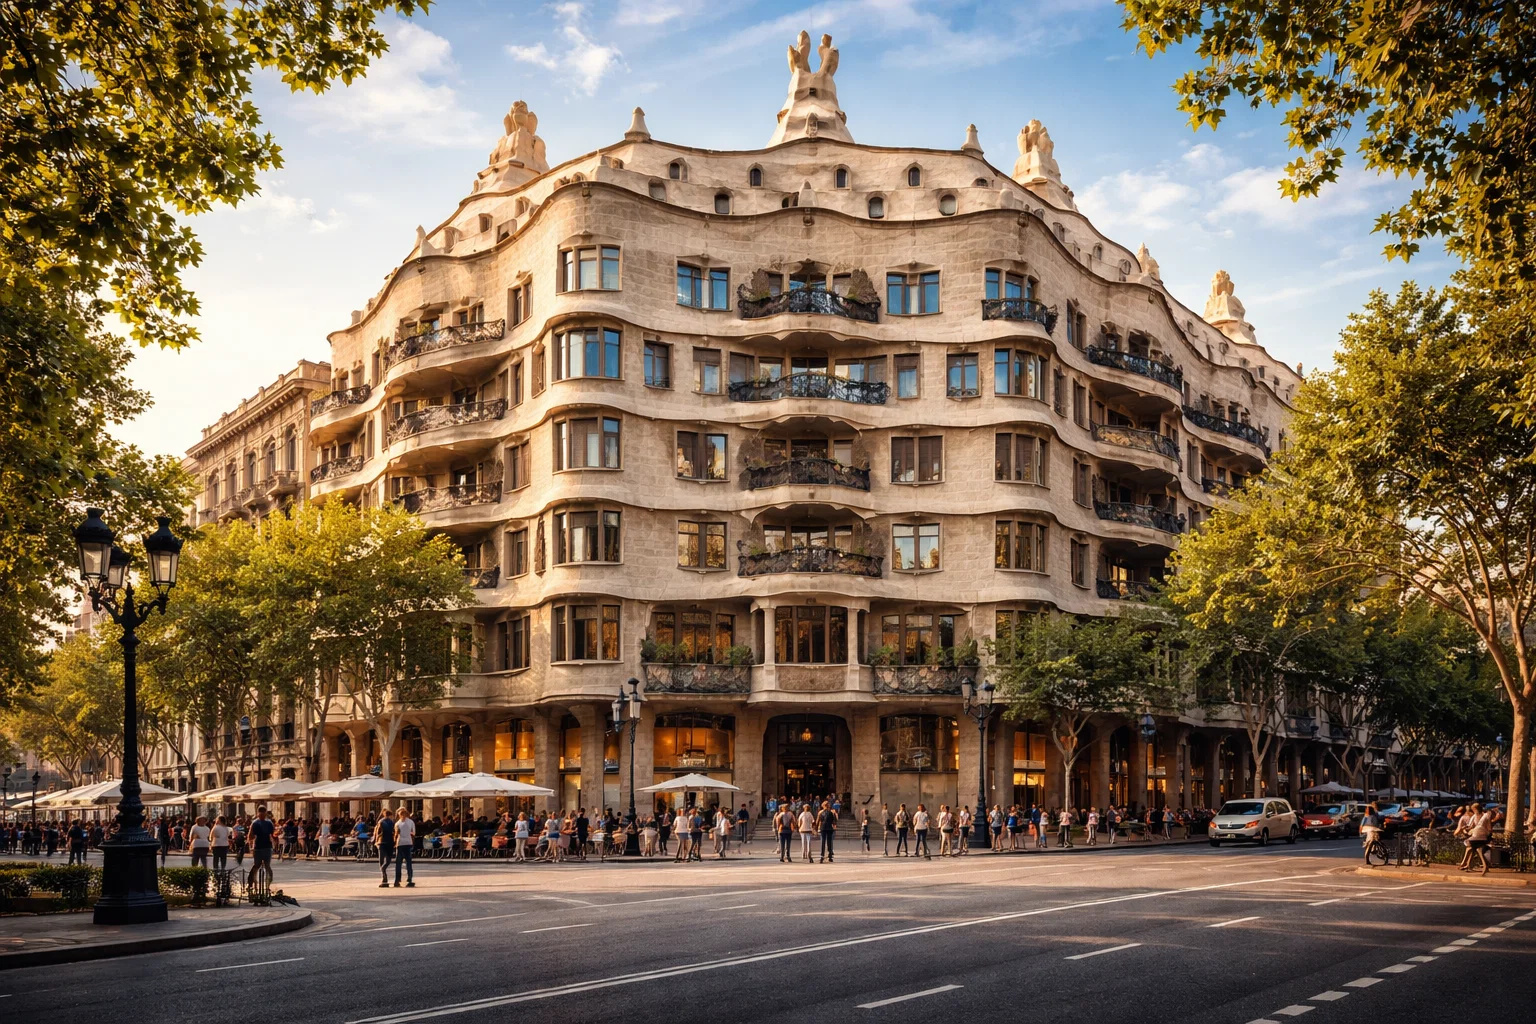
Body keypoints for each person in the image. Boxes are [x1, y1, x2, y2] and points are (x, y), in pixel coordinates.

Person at [247, 806, 276, 888]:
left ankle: (253, 883)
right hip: (263, 847)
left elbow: (250, 836)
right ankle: (265, 885)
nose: (262, 814)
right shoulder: (267, 823)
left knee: (258, 865)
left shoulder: (256, 823)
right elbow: (272, 835)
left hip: (261, 847)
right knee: (265, 866)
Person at [394, 806, 416, 887]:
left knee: (398, 863)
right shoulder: (411, 822)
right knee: (408, 862)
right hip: (408, 843)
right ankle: (409, 877)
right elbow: (413, 833)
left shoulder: (397, 823)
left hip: (400, 844)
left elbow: (396, 835)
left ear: (399, 815)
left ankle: (397, 879)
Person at [373, 809, 397, 886]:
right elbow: (394, 832)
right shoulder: (392, 823)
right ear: (390, 815)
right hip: (389, 842)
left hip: (381, 842)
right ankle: (384, 873)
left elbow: (377, 833)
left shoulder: (381, 822)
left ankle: (383, 874)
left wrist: (376, 841)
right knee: (388, 859)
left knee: (381, 859)